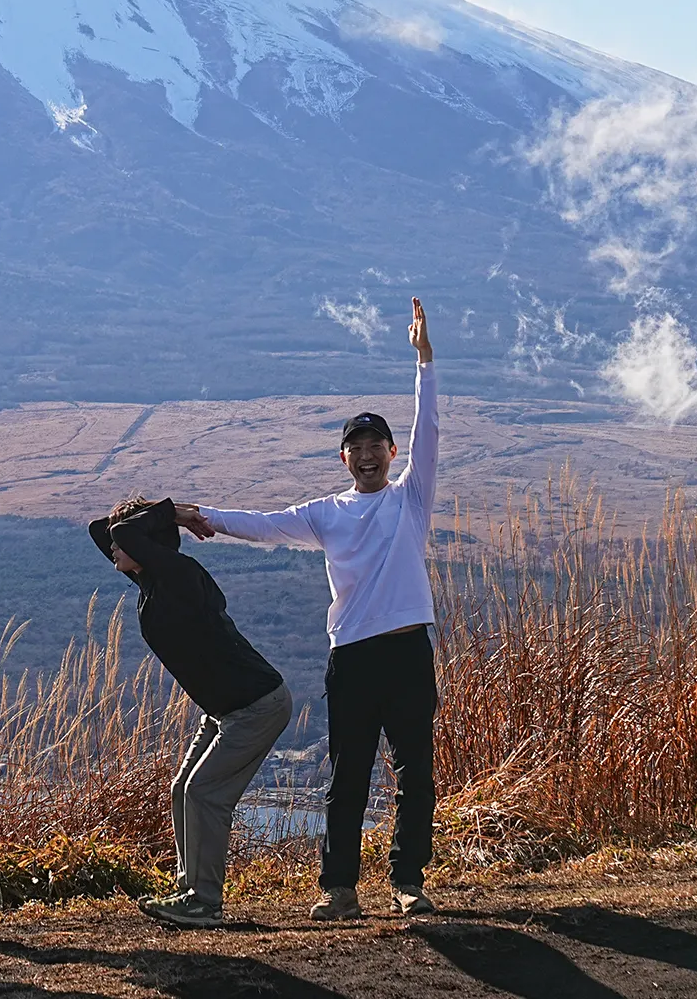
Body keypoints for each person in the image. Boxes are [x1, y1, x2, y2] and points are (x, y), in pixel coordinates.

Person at [178, 297, 441, 921]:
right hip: (350, 659)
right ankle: (339, 889)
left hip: (407, 651)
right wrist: (202, 517)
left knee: (416, 777)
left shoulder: (412, 499)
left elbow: (430, 426)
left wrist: (424, 359)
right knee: (346, 778)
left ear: (393, 453)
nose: (370, 453)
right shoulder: (327, 512)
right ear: (343, 458)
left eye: (379, 443)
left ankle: (408, 884)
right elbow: (265, 525)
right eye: (358, 446)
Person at [89, 496, 292, 930]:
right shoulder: (151, 579)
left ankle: (205, 902)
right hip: (224, 710)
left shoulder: (179, 574)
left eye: (123, 540)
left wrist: (171, 513)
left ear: (148, 543)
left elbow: (121, 534)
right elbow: (99, 530)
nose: (112, 547)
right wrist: (158, 517)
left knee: (205, 794)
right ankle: (190, 891)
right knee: (184, 789)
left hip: (256, 705)